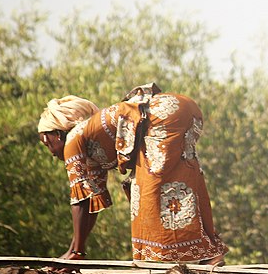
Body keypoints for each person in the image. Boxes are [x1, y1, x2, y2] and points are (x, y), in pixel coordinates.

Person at [37, 84, 227, 264]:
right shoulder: (88, 141)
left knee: (147, 191)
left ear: (56, 135)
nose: (52, 153)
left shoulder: (72, 139)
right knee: (187, 180)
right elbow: (89, 202)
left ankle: (174, 259)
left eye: (48, 144)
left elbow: (78, 201)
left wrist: (76, 252)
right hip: (185, 108)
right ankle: (211, 254)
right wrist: (76, 250)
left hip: (161, 115)